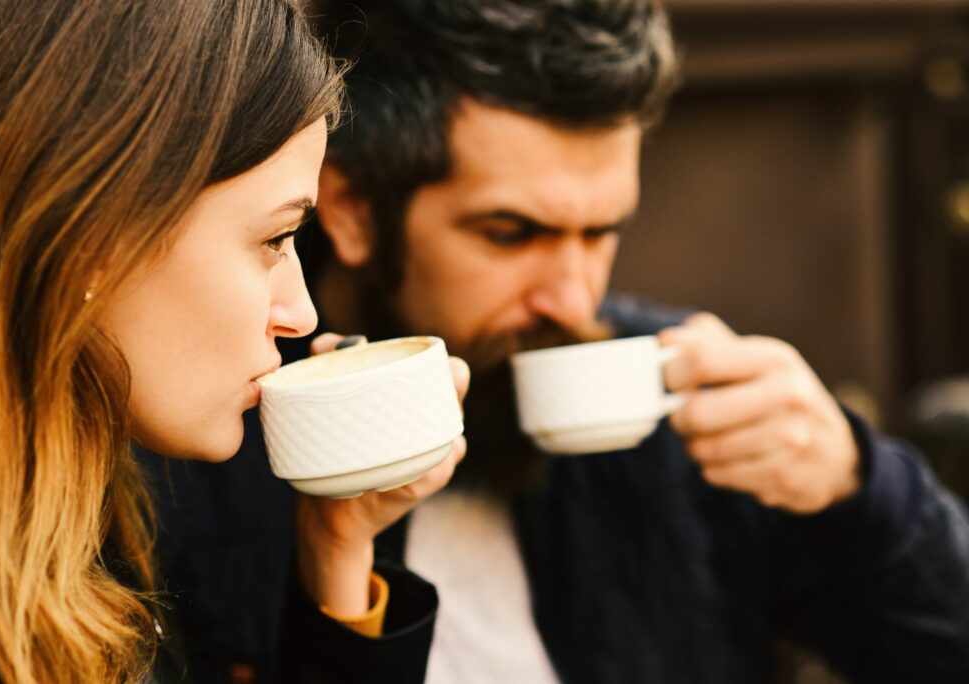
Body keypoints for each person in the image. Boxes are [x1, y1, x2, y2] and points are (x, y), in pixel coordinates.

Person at [144, 0, 969, 682]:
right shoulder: (207, 426)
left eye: (601, 232)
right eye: (511, 233)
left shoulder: (685, 412)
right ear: (354, 211)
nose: (573, 295)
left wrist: (860, 491)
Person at [0, 1, 467, 682]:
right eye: (275, 240)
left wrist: (337, 551)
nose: (301, 314)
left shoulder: (78, 533)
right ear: (89, 235)